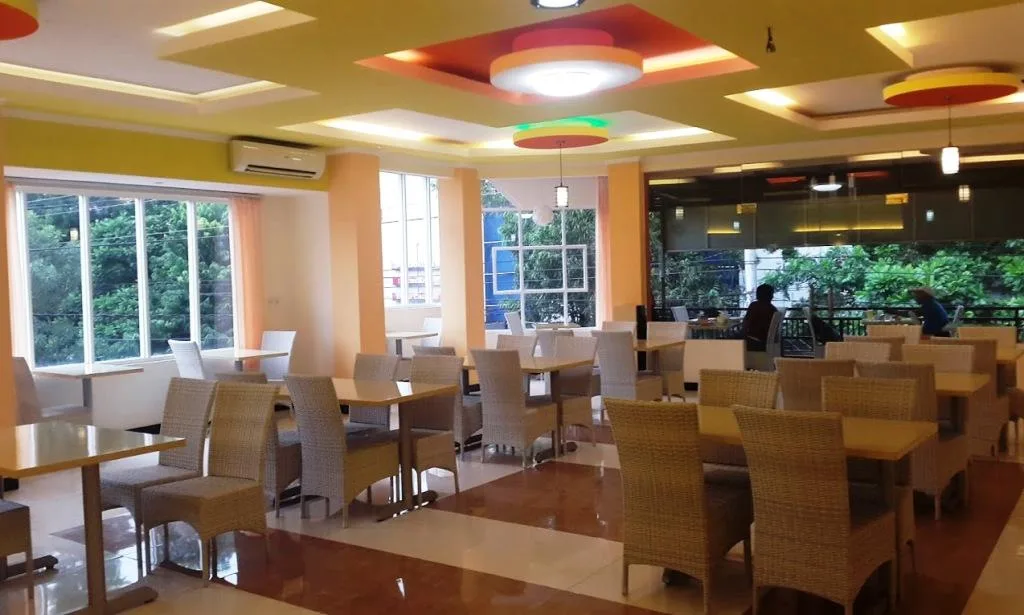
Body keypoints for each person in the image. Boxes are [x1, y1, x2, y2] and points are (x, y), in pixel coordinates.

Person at [743, 284, 778, 351]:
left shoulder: (754, 305)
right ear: (771, 295)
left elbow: (746, 323)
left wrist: (742, 334)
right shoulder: (773, 309)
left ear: (758, 294)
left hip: (754, 341)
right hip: (764, 342)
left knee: (729, 340)